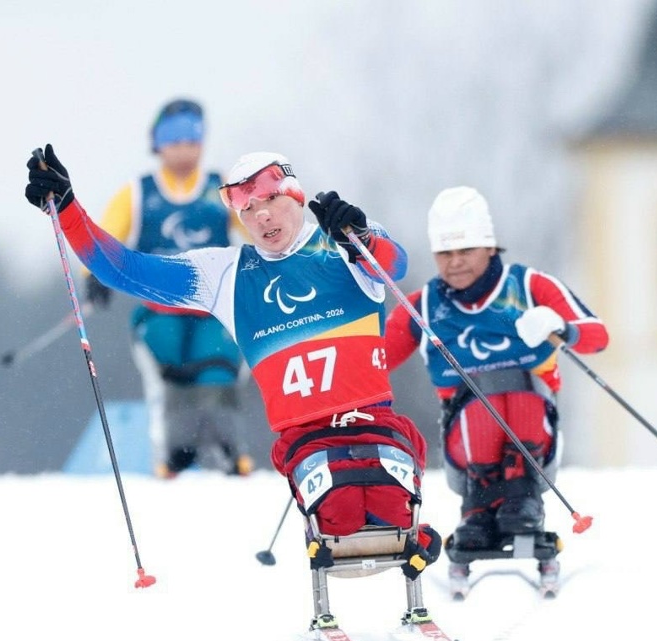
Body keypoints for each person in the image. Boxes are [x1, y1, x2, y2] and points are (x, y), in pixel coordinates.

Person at [26, 145, 441, 580]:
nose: (262, 217)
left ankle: (419, 532)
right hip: (305, 436)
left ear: (296, 197)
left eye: (272, 201)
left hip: (372, 419)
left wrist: (363, 238)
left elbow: (393, 264)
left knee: (392, 511)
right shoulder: (224, 273)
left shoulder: (345, 241)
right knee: (341, 520)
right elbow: (125, 270)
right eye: (249, 209)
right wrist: (68, 210)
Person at [385, 186, 609, 554]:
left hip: (535, 430)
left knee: (518, 394)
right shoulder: (421, 307)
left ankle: (521, 501)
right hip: (467, 442)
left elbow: (597, 338)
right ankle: (479, 507)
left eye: (466, 250)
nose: (455, 262)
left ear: (490, 247)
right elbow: (378, 360)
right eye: (445, 253)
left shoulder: (529, 286)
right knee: (480, 400)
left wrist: (562, 327)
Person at [84, 98, 252, 480]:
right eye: (174, 139)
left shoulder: (219, 189)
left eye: (193, 138)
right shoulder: (139, 193)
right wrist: (94, 275)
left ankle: (228, 448)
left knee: (219, 368)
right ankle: (174, 452)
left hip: (212, 310)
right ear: (158, 144)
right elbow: (104, 238)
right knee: (170, 369)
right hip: (159, 311)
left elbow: (257, 225)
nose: (184, 148)